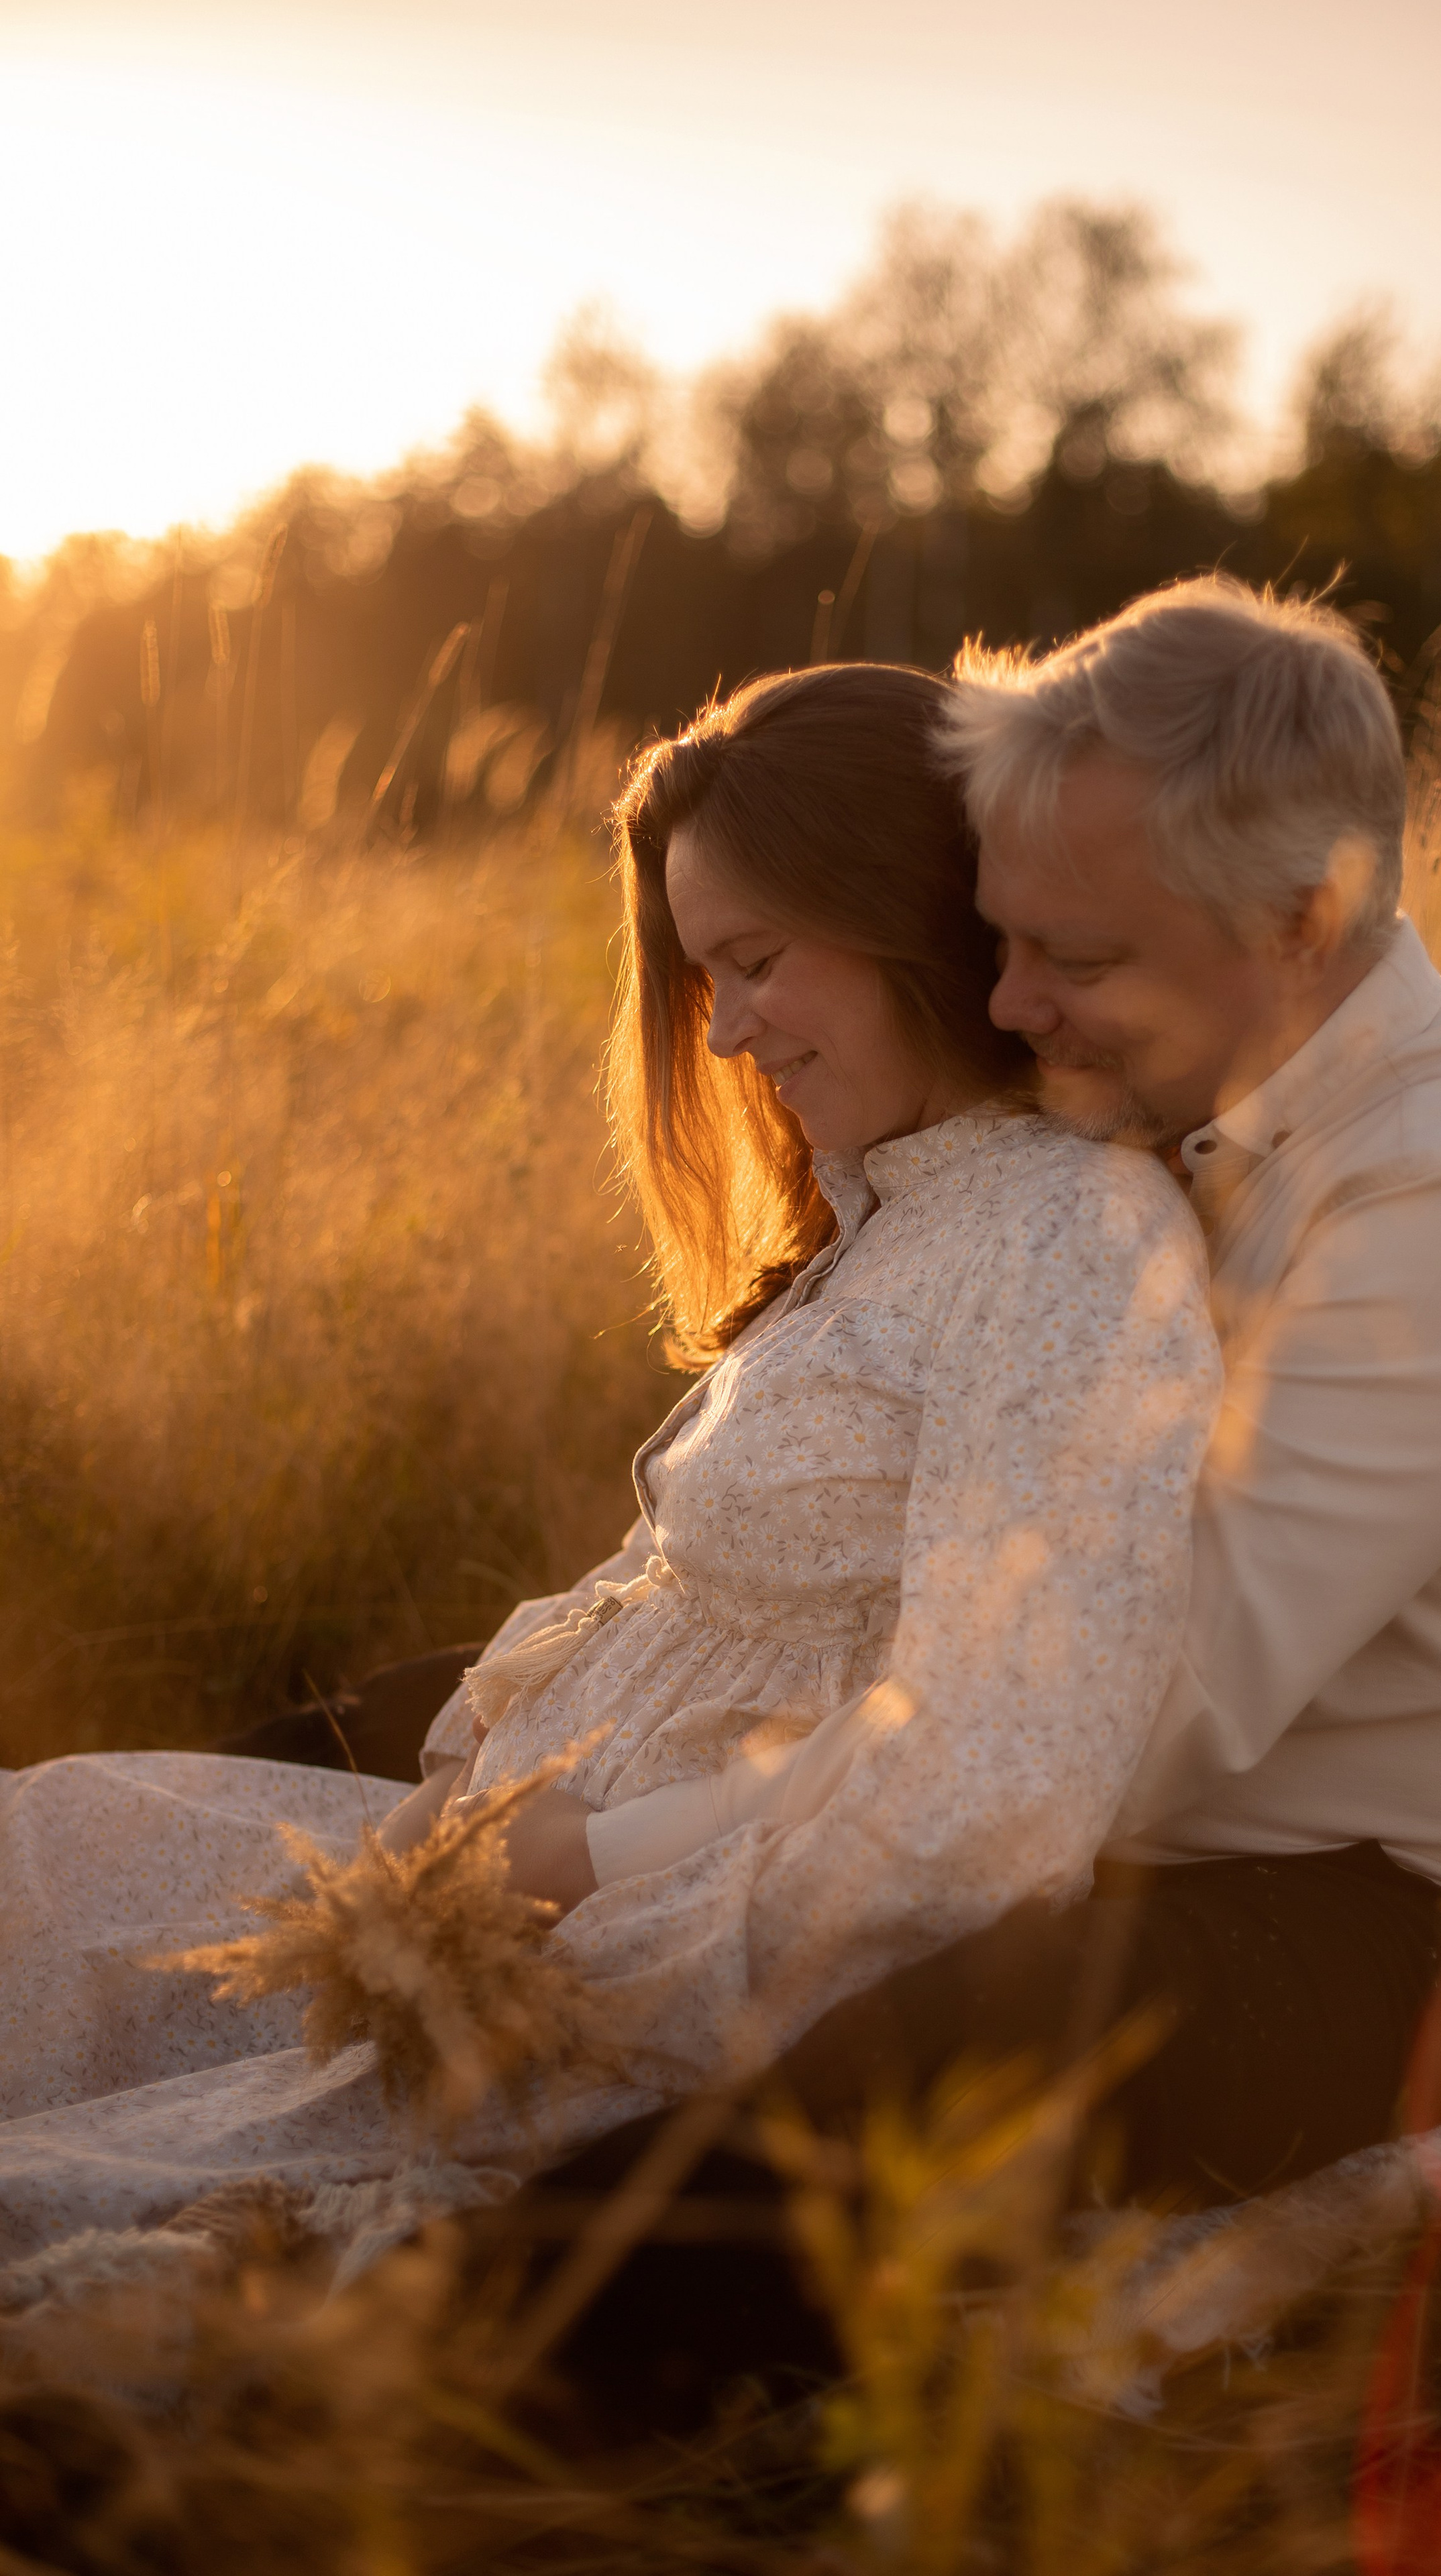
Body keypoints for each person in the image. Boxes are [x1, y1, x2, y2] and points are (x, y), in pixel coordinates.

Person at [519, 582, 1441, 2421]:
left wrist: (655, 1835)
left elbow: (1116, 1714)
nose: (1005, 1003)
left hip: (1403, 1922)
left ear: (1300, 917)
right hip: (1151, 1803)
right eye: (996, 939)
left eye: (1072, 954)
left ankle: (341, 2364)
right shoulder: (1192, 1106)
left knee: (872, 2085)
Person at [0, 663, 1217, 2267]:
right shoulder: (889, 1208)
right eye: (708, 974)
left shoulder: (1067, 1240)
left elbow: (990, 1783)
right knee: (52, 1843)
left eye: (755, 963)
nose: (722, 1036)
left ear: (906, 907)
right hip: (516, 1866)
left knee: (71, 2177)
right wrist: (471, 1794)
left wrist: (591, 1868)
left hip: (651, 1952)